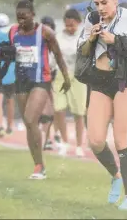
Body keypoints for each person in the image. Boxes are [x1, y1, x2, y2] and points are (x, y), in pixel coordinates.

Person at [77, 0, 127, 210]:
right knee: (95, 140)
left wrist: (114, 40)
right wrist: (92, 38)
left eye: (104, 3)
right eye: (96, 3)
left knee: (120, 140)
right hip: (100, 79)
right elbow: (83, 51)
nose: (100, 8)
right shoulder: (91, 19)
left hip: (125, 80)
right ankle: (115, 175)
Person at [0, 0, 71, 179]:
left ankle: (39, 167)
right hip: (21, 81)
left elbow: (58, 56)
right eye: (18, 17)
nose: (21, 20)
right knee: (28, 122)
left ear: (33, 14)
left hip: (41, 80)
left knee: (31, 118)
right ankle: (38, 164)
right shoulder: (13, 32)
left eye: (24, 16)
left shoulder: (45, 32)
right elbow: (12, 54)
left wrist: (66, 78)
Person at [53, 9, 87, 157]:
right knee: (58, 108)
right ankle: (65, 142)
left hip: (78, 77)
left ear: (78, 23)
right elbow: (52, 56)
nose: (70, 28)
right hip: (61, 75)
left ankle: (79, 145)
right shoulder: (58, 38)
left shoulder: (84, 37)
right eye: (67, 25)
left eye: (72, 25)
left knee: (78, 112)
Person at [40, 16, 59, 151]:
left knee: (56, 108)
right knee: (45, 109)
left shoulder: (58, 41)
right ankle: (46, 138)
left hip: (57, 77)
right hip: (42, 77)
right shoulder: (36, 42)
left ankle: (54, 135)